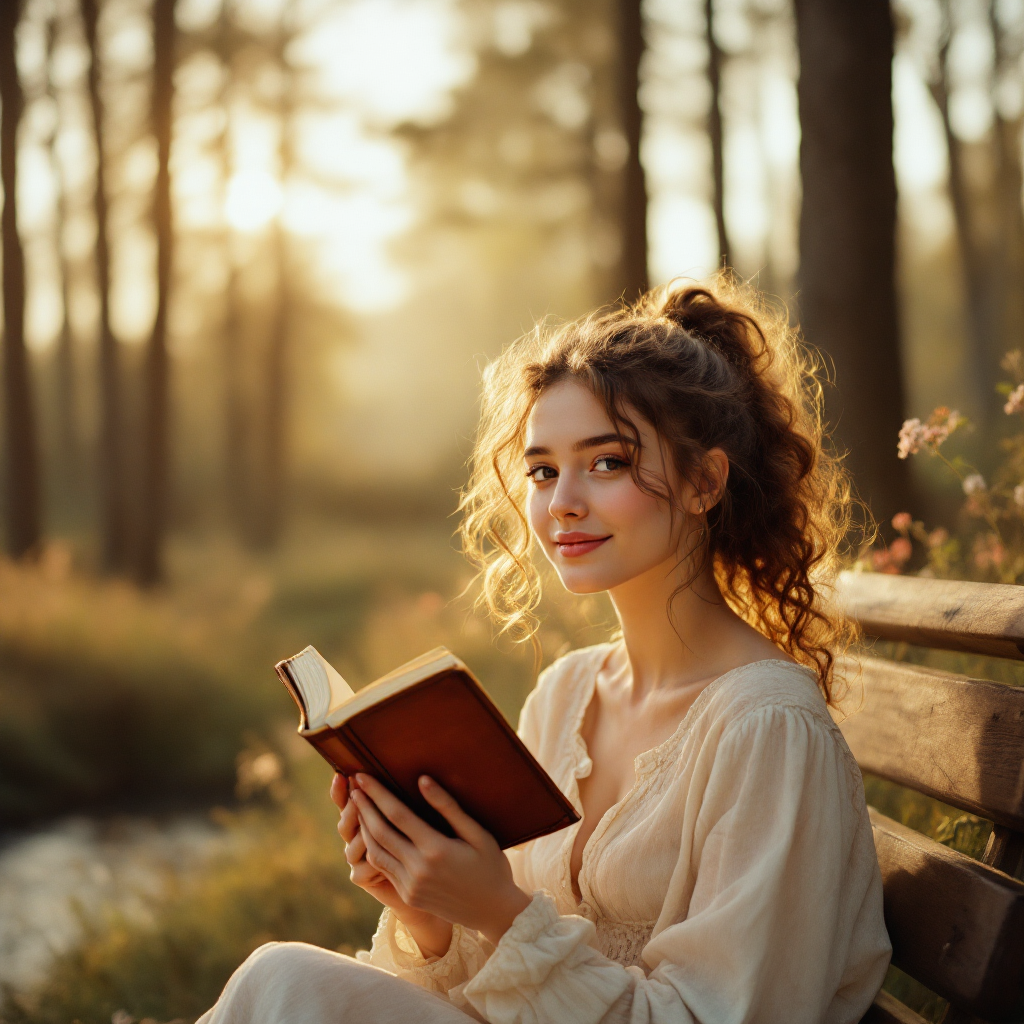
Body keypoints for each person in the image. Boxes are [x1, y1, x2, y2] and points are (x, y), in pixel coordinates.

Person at [199, 276, 891, 1024]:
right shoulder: (565, 695)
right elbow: (486, 992)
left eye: (607, 462)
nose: (562, 500)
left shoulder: (767, 731)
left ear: (704, 481)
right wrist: (429, 915)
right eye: (541, 470)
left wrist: (500, 909)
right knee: (285, 982)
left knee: (284, 985)